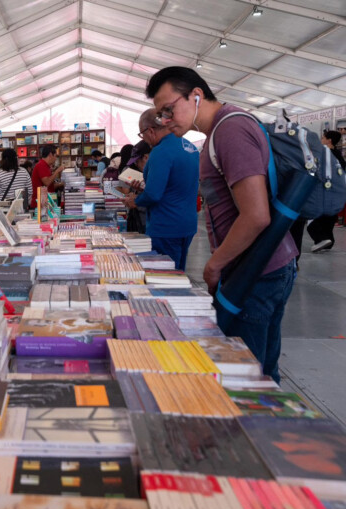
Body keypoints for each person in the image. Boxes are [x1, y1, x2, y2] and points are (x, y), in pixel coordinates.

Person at [146, 66, 296, 384]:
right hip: (258, 265)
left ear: (196, 95)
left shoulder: (230, 130)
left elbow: (256, 215)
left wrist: (215, 265)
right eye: (160, 115)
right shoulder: (220, 130)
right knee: (260, 370)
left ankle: (259, 430)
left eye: (168, 109)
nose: (165, 120)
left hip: (258, 269)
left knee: (248, 377)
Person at [123, 108, 200, 270]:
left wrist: (135, 201)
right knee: (178, 273)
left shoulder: (160, 151)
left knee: (164, 277)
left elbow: (154, 194)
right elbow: (175, 186)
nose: (143, 139)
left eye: (141, 135)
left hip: (166, 225)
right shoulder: (190, 147)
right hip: (188, 222)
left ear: (150, 130)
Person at [305, 130, 346, 253]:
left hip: (322, 191)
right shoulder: (338, 155)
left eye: (323, 137)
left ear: (329, 140)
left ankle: (321, 239)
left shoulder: (324, 154)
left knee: (311, 219)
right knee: (329, 218)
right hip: (336, 192)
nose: (321, 139)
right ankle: (329, 241)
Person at [122, 140, 151, 235]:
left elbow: (155, 196)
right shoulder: (148, 173)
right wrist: (139, 190)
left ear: (146, 157)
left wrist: (136, 200)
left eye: (137, 161)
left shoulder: (156, 173)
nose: (136, 165)